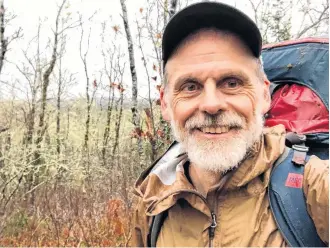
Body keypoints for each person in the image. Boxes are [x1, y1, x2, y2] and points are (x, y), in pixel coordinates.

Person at [132, 2, 329, 247]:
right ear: (165, 103)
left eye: (232, 83)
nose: (212, 105)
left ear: (264, 95)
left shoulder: (314, 187)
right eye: (190, 87)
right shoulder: (154, 199)